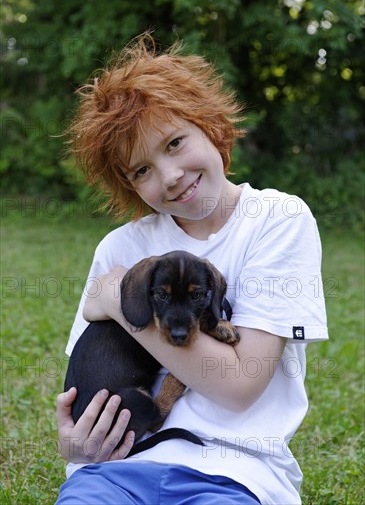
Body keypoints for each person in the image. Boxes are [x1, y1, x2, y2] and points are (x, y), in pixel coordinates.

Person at [55, 32, 328, 504]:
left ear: (209, 126)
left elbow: (239, 386)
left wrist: (118, 300)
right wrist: (72, 443)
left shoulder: (278, 220)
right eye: (140, 170)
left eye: (175, 143)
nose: (170, 176)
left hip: (235, 472)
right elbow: (92, 373)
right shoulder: (120, 246)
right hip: (117, 470)